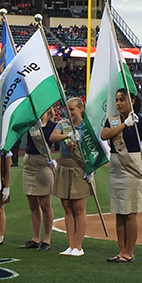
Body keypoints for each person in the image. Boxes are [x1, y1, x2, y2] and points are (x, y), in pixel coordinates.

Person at [100, 89, 142, 263]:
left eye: (122, 99)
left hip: (131, 167)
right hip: (116, 168)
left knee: (130, 212)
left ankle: (129, 252)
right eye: (117, 100)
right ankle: (121, 251)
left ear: (132, 102)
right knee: (119, 211)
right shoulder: (113, 121)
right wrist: (123, 125)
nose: (119, 103)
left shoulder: (139, 121)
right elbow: (104, 135)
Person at [51, 98, 92, 256]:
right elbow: (53, 137)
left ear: (81, 110)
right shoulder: (63, 124)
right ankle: (70, 245)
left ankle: (78, 246)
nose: (69, 112)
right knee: (67, 208)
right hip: (64, 167)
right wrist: (67, 136)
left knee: (79, 209)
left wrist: (91, 169)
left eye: (72, 109)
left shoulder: (87, 126)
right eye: (67, 108)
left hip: (80, 168)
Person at [20, 108, 59, 252]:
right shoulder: (32, 124)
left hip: (43, 163)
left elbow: (52, 142)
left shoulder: (53, 127)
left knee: (45, 205)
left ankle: (46, 239)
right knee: (33, 204)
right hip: (28, 162)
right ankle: (35, 238)